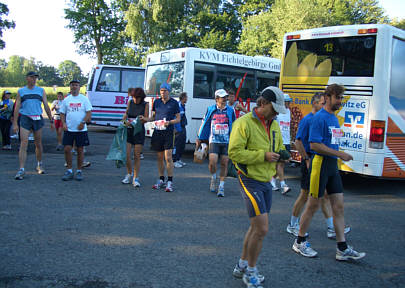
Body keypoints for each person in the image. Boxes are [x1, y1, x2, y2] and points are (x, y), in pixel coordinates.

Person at [292, 84, 365, 261]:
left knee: (338, 206)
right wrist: (340, 154)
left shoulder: (334, 118)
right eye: (337, 97)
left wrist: (338, 155)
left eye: (341, 97)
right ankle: (300, 241)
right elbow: (314, 145)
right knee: (313, 205)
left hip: (332, 166)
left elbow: (332, 142)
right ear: (328, 98)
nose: (340, 101)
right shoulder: (319, 118)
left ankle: (342, 248)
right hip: (320, 164)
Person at [229, 86, 286, 288]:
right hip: (249, 179)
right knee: (262, 229)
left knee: (255, 227)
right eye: (275, 108)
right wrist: (263, 155)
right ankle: (251, 272)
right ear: (262, 103)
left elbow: (277, 147)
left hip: (266, 180)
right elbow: (234, 153)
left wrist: (284, 154)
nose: (277, 112)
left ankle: (241, 265)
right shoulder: (242, 123)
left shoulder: (274, 124)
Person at [287, 92, 351, 238]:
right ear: (314, 103)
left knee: (324, 196)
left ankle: (330, 227)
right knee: (305, 196)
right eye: (321, 103)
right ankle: (292, 224)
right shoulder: (308, 120)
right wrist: (306, 159)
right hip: (311, 160)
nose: (323, 105)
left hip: (323, 163)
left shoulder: (329, 118)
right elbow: (298, 142)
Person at [13, 71, 54, 180]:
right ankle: (21, 169)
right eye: (32, 77)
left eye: (35, 77)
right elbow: (17, 107)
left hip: (37, 118)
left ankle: (39, 164)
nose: (34, 79)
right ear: (27, 78)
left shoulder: (41, 91)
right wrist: (14, 123)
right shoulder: (21, 91)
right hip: (25, 118)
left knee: (38, 143)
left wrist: (51, 120)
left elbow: (46, 105)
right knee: (24, 143)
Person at [197, 89, 236, 197]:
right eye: (222, 98)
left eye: (225, 97)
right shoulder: (211, 109)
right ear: (216, 99)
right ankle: (214, 177)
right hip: (214, 139)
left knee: (224, 163)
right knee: (212, 162)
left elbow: (234, 124)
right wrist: (199, 137)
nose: (224, 99)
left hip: (226, 141)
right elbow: (204, 122)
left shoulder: (230, 110)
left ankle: (221, 186)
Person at [149, 83, 180, 192]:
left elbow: (178, 119)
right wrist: (145, 119)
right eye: (161, 90)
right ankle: (161, 179)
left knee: (168, 157)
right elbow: (153, 116)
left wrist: (169, 122)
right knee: (159, 157)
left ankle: (170, 181)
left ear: (169, 91)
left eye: (165, 90)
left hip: (168, 132)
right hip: (158, 132)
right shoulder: (156, 102)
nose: (162, 92)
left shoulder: (174, 103)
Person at [60, 80, 92, 181]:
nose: (74, 87)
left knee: (80, 150)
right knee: (67, 149)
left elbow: (88, 113)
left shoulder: (84, 99)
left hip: (81, 130)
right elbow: (62, 113)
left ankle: (79, 171)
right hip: (69, 129)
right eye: (72, 85)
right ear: (70, 87)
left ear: (79, 87)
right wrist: (64, 123)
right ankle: (69, 170)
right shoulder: (66, 100)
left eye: (76, 85)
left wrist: (83, 123)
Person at [121, 87, 149, 187]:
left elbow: (146, 119)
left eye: (138, 98)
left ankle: (136, 178)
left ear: (142, 97)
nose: (135, 100)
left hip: (139, 130)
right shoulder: (130, 102)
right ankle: (129, 173)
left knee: (137, 156)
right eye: (134, 97)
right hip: (129, 130)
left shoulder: (146, 104)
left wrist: (142, 119)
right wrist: (125, 122)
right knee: (126, 154)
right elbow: (125, 115)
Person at [271, 93, 292, 194]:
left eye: (289, 102)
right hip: (279, 142)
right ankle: (283, 185)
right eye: (287, 102)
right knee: (281, 164)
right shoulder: (277, 113)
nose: (289, 104)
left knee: (283, 163)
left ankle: (271, 180)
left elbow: (288, 126)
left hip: (287, 141)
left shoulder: (288, 112)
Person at [173, 92, 188, 168]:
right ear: (183, 98)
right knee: (176, 145)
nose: (187, 98)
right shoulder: (178, 106)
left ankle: (178, 159)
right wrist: (176, 128)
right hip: (178, 128)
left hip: (183, 127)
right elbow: (175, 118)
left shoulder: (183, 105)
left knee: (182, 144)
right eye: (186, 97)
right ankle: (174, 160)